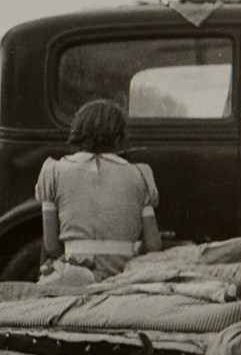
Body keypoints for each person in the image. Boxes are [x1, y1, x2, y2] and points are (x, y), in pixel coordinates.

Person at [37, 99, 161, 284]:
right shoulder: (140, 174)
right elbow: (153, 244)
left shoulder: (53, 171)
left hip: (75, 275)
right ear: (119, 137)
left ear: (77, 130)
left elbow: (51, 245)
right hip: (122, 274)